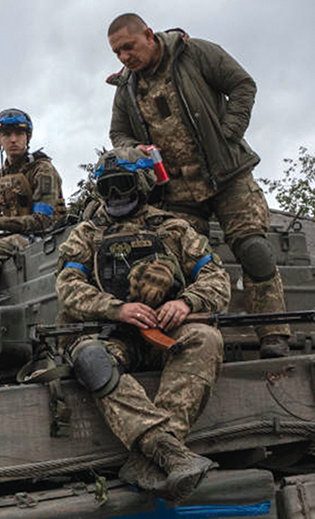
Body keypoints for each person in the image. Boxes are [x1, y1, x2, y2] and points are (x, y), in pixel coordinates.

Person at [105, 13, 291, 358]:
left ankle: (274, 332)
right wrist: (135, 150)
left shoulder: (195, 54)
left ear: (148, 35)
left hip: (227, 176)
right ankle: (198, 338)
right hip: (175, 190)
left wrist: (229, 132)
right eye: (117, 53)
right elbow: (118, 133)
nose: (124, 57)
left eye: (129, 47)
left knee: (254, 250)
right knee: (178, 264)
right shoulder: (126, 87)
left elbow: (242, 85)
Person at [56, 149, 230, 500]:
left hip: (167, 333)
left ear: (143, 184)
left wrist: (186, 303)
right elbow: (68, 286)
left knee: (205, 339)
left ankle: (150, 460)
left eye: (122, 185)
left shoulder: (174, 229)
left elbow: (217, 279)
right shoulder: (86, 234)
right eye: (107, 189)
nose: (115, 196)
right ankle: (166, 451)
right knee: (91, 360)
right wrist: (117, 309)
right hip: (112, 334)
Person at [0, 109, 65, 290]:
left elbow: (42, 221)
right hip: (7, 236)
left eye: (19, 134)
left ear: (28, 137)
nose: (13, 139)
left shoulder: (42, 170)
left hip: (40, 237)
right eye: (6, 134)